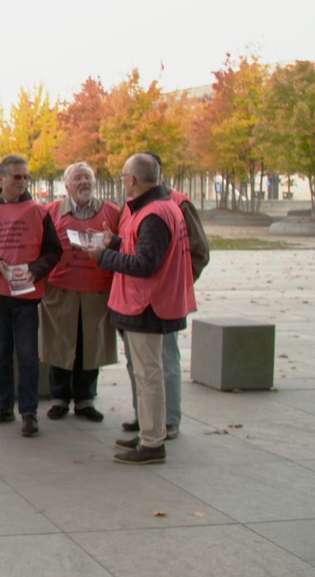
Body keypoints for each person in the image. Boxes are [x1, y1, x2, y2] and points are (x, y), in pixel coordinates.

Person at [84, 153, 197, 464]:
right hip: (145, 303)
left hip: (148, 305)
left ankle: (152, 442)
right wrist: (117, 243)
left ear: (132, 180)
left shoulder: (154, 213)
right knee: (148, 375)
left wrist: (102, 257)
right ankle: (150, 432)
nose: (122, 182)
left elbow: (145, 264)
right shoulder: (156, 208)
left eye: (123, 176)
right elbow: (143, 249)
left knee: (148, 376)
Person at [0, 155, 62, 437]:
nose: (22, 181)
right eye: (16, 176)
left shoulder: (39, 211)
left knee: (29, 355)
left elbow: (53, 251)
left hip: (27, 296)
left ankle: (29, 412)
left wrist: (36, 270)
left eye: (25, 177)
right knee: (1, 354)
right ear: (1, 178)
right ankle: (4, 404)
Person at [121, 152, 209, 440]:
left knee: (163, 362)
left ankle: (166, 422)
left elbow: (197, 252)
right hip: (134, 300)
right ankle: (147, 418)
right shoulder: (134, 205)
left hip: (157, 302)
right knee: (142, 366)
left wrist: (177, 282)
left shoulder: (173, 205)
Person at [39, 162, 121, 422]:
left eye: (88, 178)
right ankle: (59, 398)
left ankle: (85, 399)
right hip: (60, 291)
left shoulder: (112, 212)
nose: (84, 183)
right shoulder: (50, 211)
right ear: (67, 185)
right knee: (60, 345)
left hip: (96, 291)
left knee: (90, 346)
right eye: (78, 179)